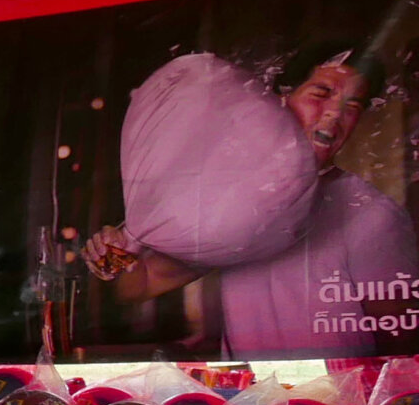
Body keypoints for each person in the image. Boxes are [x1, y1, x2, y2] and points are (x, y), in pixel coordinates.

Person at [90, 45, 419, 355]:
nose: (334, 114)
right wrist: (118, 253)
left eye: (352, 106)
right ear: (280, 98)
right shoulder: (229, 199)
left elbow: (402, 342)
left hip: (337, 396)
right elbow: (141, 284)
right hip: (249, 393)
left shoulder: (372, 215)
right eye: (321, 94)